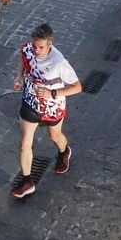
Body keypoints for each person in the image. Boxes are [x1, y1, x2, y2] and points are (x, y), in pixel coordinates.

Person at [9, 24, 82, 199]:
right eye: (35, 45)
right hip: (31, 101)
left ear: (50, 44)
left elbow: (78, 87)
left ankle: (64, 152)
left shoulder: (59, 63)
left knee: (54, 136)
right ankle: (27, 181)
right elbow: (24, 57)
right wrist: (20, 75)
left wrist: (53, 93)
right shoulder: (28, 48)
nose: (36, 50)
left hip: (52, 106)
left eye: (41, 47)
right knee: (25, 143)